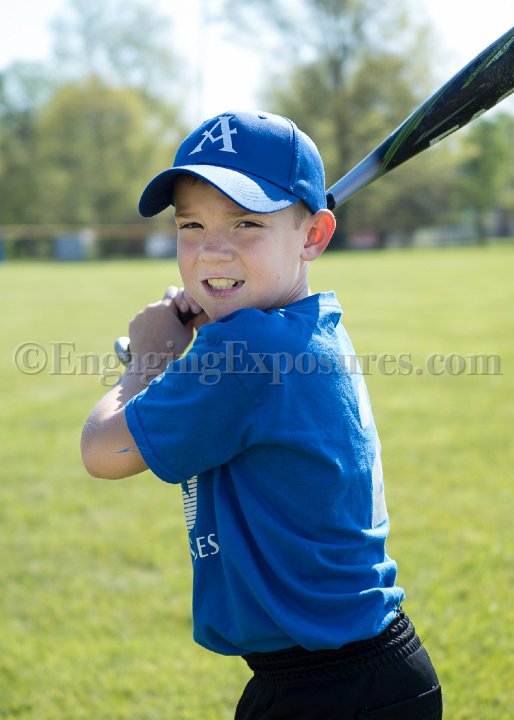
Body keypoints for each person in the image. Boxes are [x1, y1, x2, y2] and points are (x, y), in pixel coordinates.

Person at [81, 110, 442, 719]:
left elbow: (103, 451)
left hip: (328, 691)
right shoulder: (306, 327)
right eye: (191, 225)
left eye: (246, 223)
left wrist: (148, 358)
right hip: (363, 675)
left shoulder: (249, 349)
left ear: (313, 237)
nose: (212, 250)